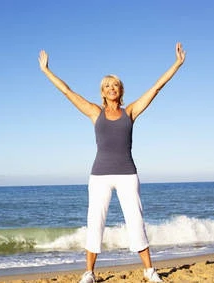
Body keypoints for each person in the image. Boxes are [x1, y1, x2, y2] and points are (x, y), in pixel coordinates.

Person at [38, 43, 186, 283]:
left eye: (115, 85)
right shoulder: (95, 113)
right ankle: (89, 273)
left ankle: (149, 271)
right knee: (95, 222)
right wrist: (46, 71)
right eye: (106, 86)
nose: (111, 88)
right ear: (102, 92)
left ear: (121, 90)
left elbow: (156, 88)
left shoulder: (131, 112)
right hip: (100, 176)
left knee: (136, 221)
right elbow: (68, 92)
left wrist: (177, 64)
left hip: (127, 174)